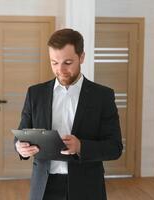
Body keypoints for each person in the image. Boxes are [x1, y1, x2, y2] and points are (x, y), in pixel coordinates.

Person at [14, 28, 123, 200]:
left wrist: (81, 147)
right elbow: (22, 134)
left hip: (87, 187)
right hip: (43, 187)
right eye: (54, 63)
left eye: (67, 62)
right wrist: (20, 147)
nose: (60, 70)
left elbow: (115, 148)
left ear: (82, 57)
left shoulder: (102, 96)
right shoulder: (35, 93)